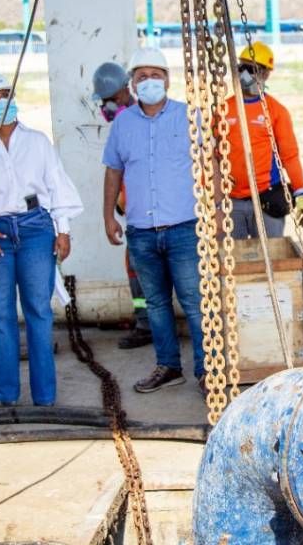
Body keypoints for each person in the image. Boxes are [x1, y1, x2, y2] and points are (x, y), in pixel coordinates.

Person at [0, 72, 83, 407]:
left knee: (38, 312)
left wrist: (63, 229)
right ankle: (7, 395)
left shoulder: (38, 141)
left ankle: (45, 396)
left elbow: (56, 184)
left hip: (34, 229)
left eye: (6, 94)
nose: (2, 102)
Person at [102, 47, 207, 396]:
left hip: (183, 229)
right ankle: (168, 366)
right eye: (142, 76)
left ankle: (208, 372)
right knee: (157, 303)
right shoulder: (123, 123)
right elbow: (113, 171)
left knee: (193, 301)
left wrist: (217, 210)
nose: (149, 81)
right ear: (132, 84)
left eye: (156, 75)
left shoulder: (189, 117)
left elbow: (213, 164)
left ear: (168, 80)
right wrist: (108, 217)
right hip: (141, 232)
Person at [93, 61, 153, 349]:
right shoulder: (122, 122)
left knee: (145, 268)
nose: (107, 106)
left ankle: (149, 323)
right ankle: (144, 320)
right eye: (105, 101)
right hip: (132, 211)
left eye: (111, 99)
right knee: (134, 267)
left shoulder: (140, 118)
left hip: (149, 213)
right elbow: (116, 170)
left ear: (124, 91)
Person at [223, 41, 303, 239]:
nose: (245, 74)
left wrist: (301, 192)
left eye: (251, 69)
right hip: (232, 201)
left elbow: (290, 155)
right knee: (233, 261)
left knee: (271, 255)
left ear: (265, 73)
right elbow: (211, 154)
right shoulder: (224, 109)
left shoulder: (276, 111)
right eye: (241, 67)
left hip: (266, 200)